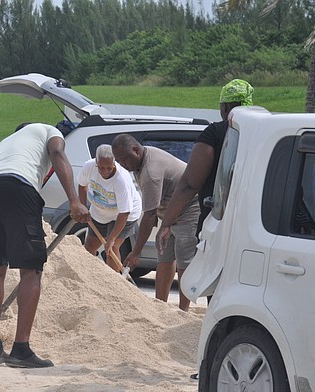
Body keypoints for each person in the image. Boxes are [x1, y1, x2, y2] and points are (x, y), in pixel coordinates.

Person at [0, 122, 88, 368]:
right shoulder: (49, 130)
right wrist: (74, 201)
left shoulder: (10, 141)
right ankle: (21, 349)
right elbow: (57, 153)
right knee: (31, 268)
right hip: (17, 185)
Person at [157, 79, 254, 241]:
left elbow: (190, 183)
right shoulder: (261, 133)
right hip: (251, 228)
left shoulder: (215, 133)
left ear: (224, 107)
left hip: (217, 224)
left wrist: (166, 223)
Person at [111, 134, 199, 312]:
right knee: (164, 256)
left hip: (189, 207)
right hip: (168, 212)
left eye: (124, 159)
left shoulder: (151, 172)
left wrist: (136, 253)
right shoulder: (140, 162)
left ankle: (183, 311)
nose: (122, 165)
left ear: (136, 150)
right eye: (118, 161)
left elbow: (149, 216)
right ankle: (160, 306)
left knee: (184, 259)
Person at [77, 144, 142, 272]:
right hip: (100, 210)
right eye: (101, 167)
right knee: (90, 245)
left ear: (114, 163)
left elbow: (124, 212)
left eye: (108, 168)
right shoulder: (89, 167)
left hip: (126, 213)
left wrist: (111, 238)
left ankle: (113, 282)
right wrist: (83, 207)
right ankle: (86, 277)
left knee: (112, 248)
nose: (105, 171)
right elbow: (82, 185)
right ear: (96, 162)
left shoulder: (121, 180)